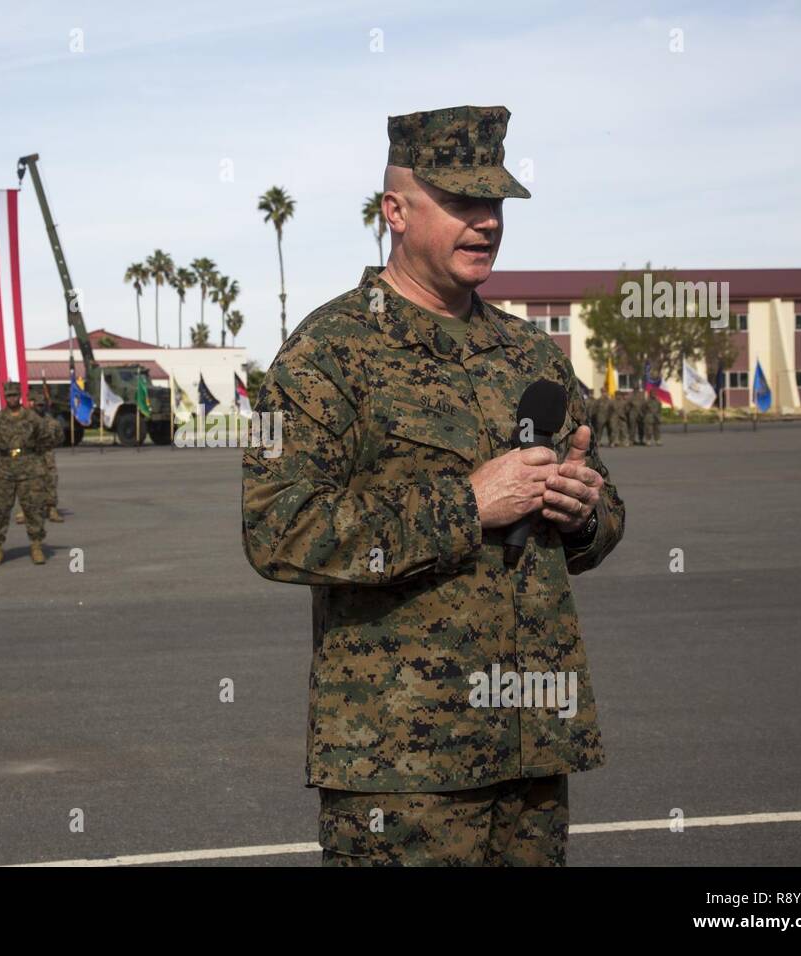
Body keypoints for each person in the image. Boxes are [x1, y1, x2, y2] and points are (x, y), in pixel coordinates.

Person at [242, 105, 625, 867]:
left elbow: (605, 510)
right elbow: (275, 529)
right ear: (395, 211)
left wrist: (584, 512)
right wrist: (468, 505)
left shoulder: (530, 354)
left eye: (495, 204)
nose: (485, 222)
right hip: (401, 768)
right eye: (460, 203)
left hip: (532, 748)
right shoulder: (322, 353)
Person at [0, 381, 54, 565]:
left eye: (15, 395)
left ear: (20, 396)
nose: (12, 398)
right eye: (9, 396)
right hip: (5, 467)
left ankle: (36, 546)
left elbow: (46, 437)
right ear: (5, 397)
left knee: (33, 509)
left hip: (29, 467)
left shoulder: (32, 417)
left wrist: (38, 456)